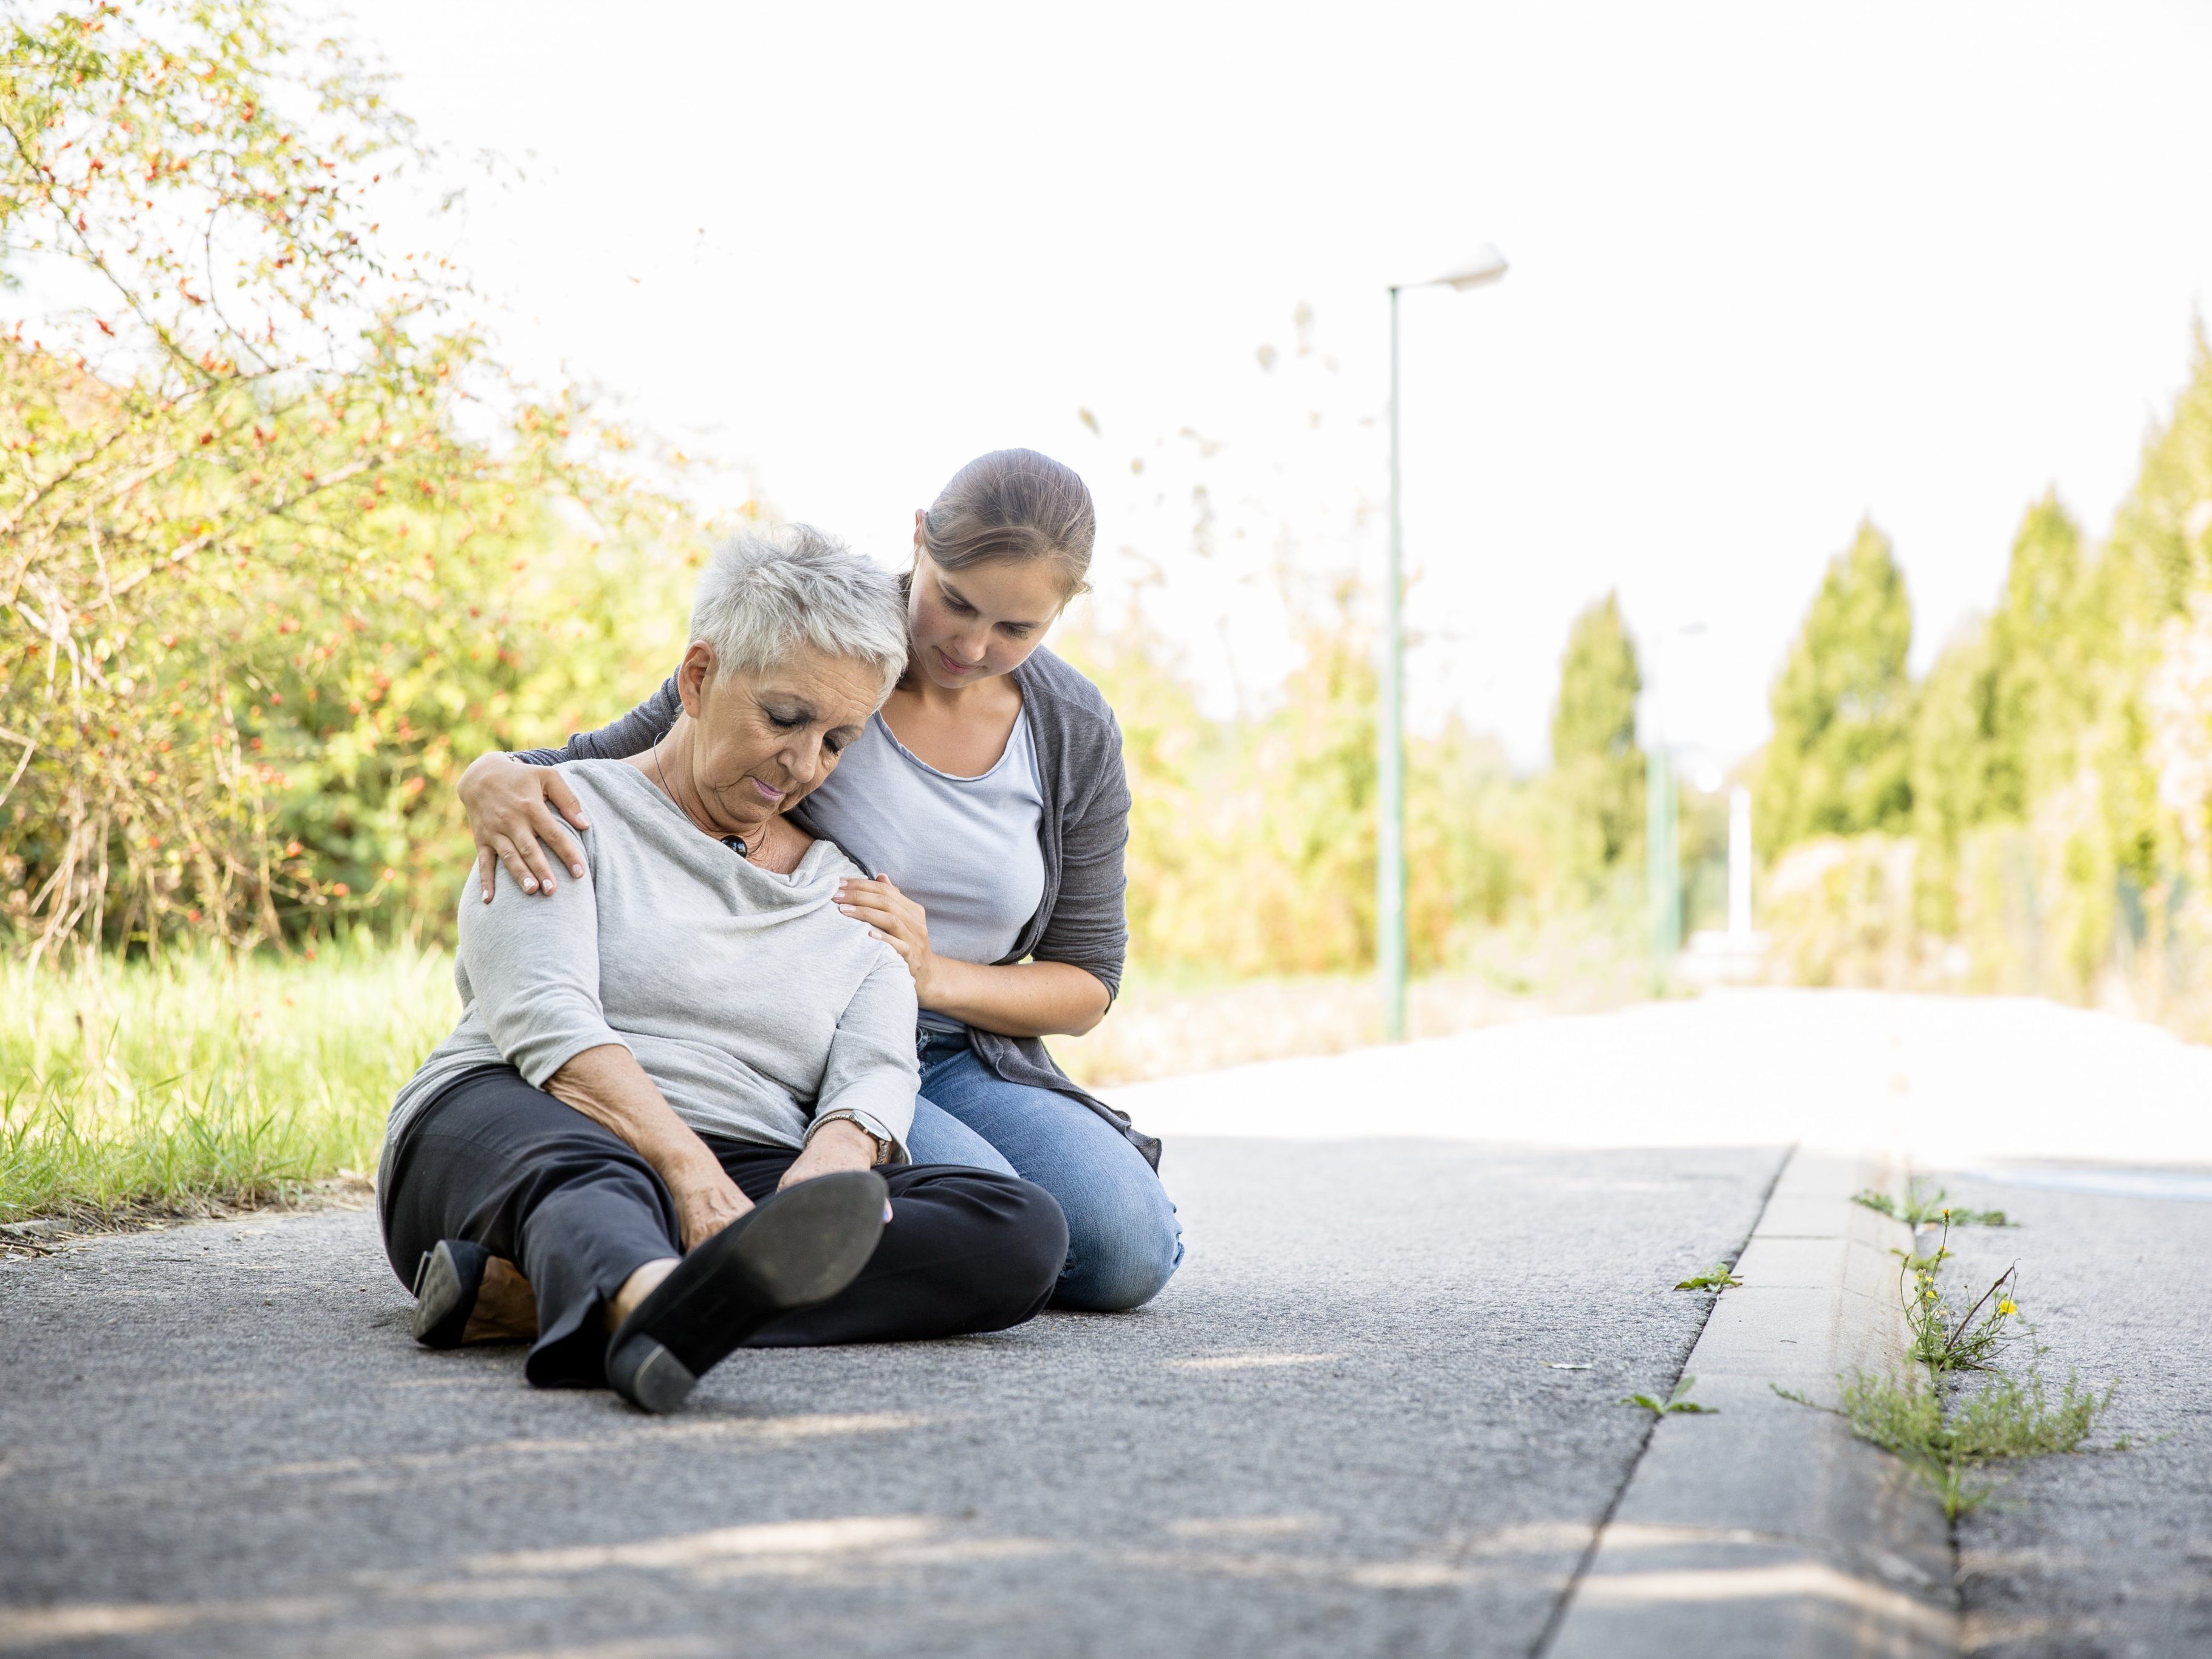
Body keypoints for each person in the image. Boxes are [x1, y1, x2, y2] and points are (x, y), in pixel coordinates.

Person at [457, 450, 1181, 1312]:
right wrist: (487, 775)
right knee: (999, 1213)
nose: (972, 645)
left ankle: (580, 1288)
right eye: (955, 601)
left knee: (1125, 1255)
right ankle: (648, 1276)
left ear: (1063, 610)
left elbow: (1088, 984)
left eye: (1017, 629)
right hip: (800, 1023)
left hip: (962, 1051)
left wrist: (932, 975)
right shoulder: (820, 644)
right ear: (918, 540)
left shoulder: (1073, 729)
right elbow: (615, 764)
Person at [379, 525, 1068, 1413]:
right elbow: (545, 1020)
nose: (802, 764)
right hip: (521, 1121)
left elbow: (876, 1064)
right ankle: (643, 1303)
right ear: (699, 678)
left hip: (741, 1152)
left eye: (837, 741)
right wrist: (690, 1177)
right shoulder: (560, 811)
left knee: (1016, 1229)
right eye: (784, 719)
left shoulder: (849, 895)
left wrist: (832, 1162)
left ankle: (562, 1294)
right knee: (593, 1175)